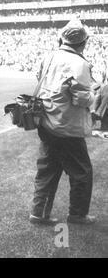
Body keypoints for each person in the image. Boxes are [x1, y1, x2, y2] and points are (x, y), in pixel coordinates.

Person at [30, 19, 96, 226]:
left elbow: (39, 78)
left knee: (48, 168)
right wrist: (93, 94)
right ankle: (77, 214)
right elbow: (82, 98)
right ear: (83, 42)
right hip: (67, 126)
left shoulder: (50, 56)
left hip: (46, 122)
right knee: (82, 172)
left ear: (63, 38)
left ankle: (38, 212)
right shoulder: (80, 63)